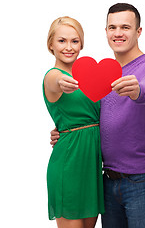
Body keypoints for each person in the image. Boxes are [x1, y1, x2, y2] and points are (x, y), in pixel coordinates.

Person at [51, 3, 145, 228]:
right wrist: (66, 132)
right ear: (105, 32)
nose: (118, 33)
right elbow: (95, 117)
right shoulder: (103, 73)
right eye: (112, 27)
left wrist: (138, 90)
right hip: (106, 181)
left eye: (125, 27)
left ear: (138, 32)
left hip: (143, 180)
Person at [43, 16, 104, 228]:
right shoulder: (53, 75)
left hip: (92, 166)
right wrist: (61, 82)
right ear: (51, 43)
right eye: (62, 41)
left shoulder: (90, 77)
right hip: (69, 164)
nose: (69, 47)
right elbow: (52, 82)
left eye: (75, 41)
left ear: (82, 43)